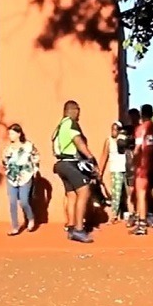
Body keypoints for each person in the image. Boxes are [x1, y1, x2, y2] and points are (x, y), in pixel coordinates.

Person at [51, 100, 97, 243]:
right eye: (78, 111)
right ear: (73, 110)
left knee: (71, 195)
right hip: (70, 163)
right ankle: (78, 229)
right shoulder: (71, 123)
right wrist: (91, 158)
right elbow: (78, 141)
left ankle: (71, 227)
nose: (79, 114)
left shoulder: (59, 126)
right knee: (84, 191)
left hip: (60, 164)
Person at [2, 123, 40, 235]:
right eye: (9, 134)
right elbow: (4, 161)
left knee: (23, 200)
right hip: (12, 176)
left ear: (18, 134)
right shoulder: (8, 148)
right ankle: (15, 226)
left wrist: (35, 169)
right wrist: (6, 164)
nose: (10, 136)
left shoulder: (28, 146)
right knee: (12, 202)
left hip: (25, 175)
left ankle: (31, 218)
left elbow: (36, 156)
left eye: (12, 133)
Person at [133, 104, 153, 235]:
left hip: (143, 167)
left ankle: (141, 224)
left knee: (141, 194)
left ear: (141, 114)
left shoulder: (140, 129)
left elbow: (137, 149)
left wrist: (134, 164)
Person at [98, 121, 129, 224]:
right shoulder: (109, 141)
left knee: (128, 193)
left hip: (127, 169)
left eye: (116, 130)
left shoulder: (125, 140)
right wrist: (100, 172)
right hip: (115, 169)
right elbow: (104, 156)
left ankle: (129, 214)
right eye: (112, 129)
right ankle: (114, 215)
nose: (113, 132)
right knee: (116, 193)